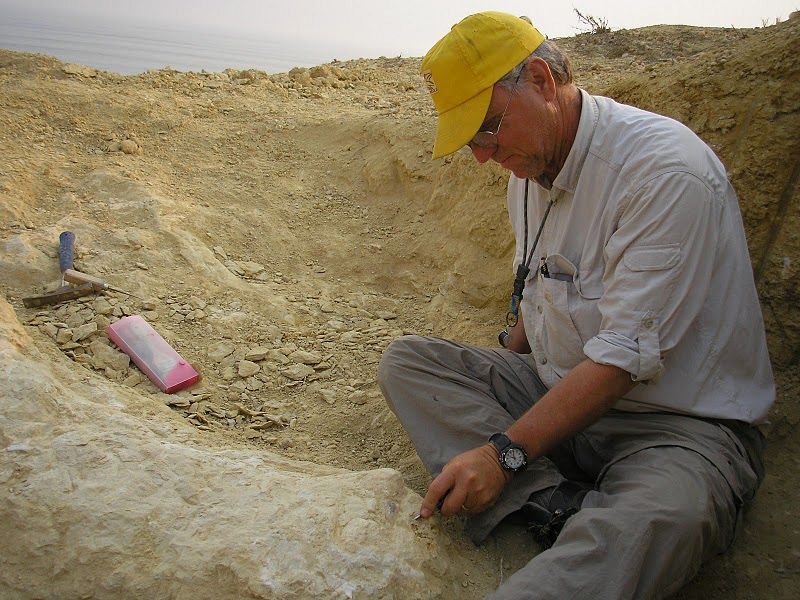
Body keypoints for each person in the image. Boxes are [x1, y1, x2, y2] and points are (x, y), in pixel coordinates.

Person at [378, 11, 775, 600]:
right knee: (410, 364)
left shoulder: (661, 173)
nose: (483, 157)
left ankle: (562, 518)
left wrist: (504, 452)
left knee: (667, 516)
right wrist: (496, 380)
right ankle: (555, 505)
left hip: (673, 426)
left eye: (487, 129)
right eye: (471, 141)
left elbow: (620, 362)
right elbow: (537, 291)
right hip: (559, 388)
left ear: (541, 80)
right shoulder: (532, 165)